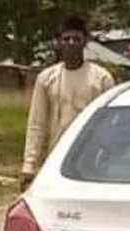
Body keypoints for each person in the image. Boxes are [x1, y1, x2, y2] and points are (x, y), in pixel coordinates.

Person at [20, 17, 115, 191]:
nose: (71, 43)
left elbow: (110, 128)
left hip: (92, 162)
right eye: (66, 39)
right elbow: (37, 124)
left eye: (76, 39)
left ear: (85, 42)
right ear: (59, 42)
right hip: (57, 159)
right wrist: (29, 166)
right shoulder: (47, 79)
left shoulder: (101, 79)